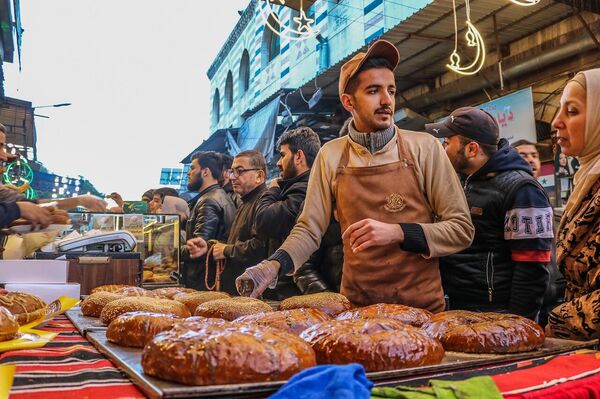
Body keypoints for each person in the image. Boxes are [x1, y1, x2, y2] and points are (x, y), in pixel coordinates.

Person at [233, 40, 474, 311]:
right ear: (348, 101)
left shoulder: (424, 148)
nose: (386, 101)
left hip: (421, 310)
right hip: (358, 312)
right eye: (373, 91)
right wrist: (273, 265)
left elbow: (461, 229)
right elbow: (309, 229)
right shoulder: (331, 155)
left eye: (391, 90)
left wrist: (398, 232)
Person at [426, 107, 552, 320]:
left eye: (447, 143)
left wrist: (516, 325)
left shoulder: (523, 190)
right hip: (458, 309)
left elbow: (532, 268)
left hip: (497, 315)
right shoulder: (460, 181)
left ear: (472, 149)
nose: (442, 149)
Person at [546, 69, 600, 340]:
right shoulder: (587, 181)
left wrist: (556, 323)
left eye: (572, 111)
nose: (556, 122)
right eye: (560, 110)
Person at [254, 127, 325, 299]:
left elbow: (263, 222)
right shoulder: (296, 187)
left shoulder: (304, 189)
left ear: (299, 156)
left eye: (283, 155)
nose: (278, 162)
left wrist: (272, 190)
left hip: (297, 292)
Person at [512, 139, 565, 326]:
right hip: (526, 304)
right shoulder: (511, 199)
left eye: (534, 156)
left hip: (556, 300)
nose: (530, 160)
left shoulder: (553, 211)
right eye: (523, 155)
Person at [202, 150, 268, 295]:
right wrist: (208, 246)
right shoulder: (245, 201)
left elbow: (261, 247)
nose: (232, 177)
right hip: (239, 290)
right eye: (232, 171)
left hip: (252, 292)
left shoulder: (264, 202)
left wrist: (226, 250)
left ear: (259, 176)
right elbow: (234, 238)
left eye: (240, 171)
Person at [182, 151, 235, 290]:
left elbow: (198, 248)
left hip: (203, 281)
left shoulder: (209, 200)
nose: (189, 173)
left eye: (193, 168)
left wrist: (170, 252)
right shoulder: (217, 195)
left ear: (205, 172)